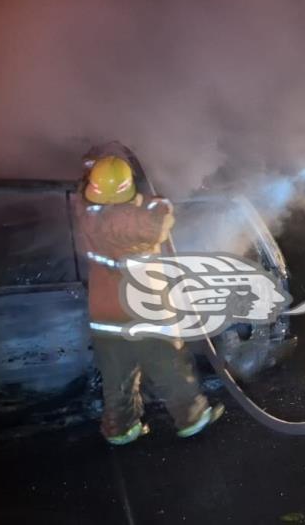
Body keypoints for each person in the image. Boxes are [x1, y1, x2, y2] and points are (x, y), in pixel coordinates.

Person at [76, 154, 224, 445]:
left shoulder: (86, 216)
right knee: (171, 371)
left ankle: (121, 429)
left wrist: (89, 176)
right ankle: (192, 419)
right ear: (127, 190)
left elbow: (83, 195)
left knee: (117, 381)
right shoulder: (142, 220)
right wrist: (147, 196)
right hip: (147, 314)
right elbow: (162, 211)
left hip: (106, 319)